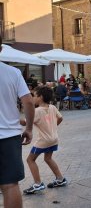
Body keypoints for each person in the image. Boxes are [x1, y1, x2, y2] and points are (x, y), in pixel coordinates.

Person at [0, 36, 35, 208]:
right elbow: (28, 101)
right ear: (0, 48)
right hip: (8, 136)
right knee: (10, 185)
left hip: (8, 135)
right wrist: (29, 128)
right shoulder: (13, 72)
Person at [21, 86, 67, 194]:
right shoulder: (52, 107)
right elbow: (60, 118)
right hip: (54, 139)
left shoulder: (37, 111)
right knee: (48, 158)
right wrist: (52, 127)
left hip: (43, 141)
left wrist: (13, 118)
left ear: (40, 97)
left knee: (30, 160)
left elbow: (25, 122)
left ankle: (37, 184)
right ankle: (60, 179)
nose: (33, 98)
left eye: (35, 96)